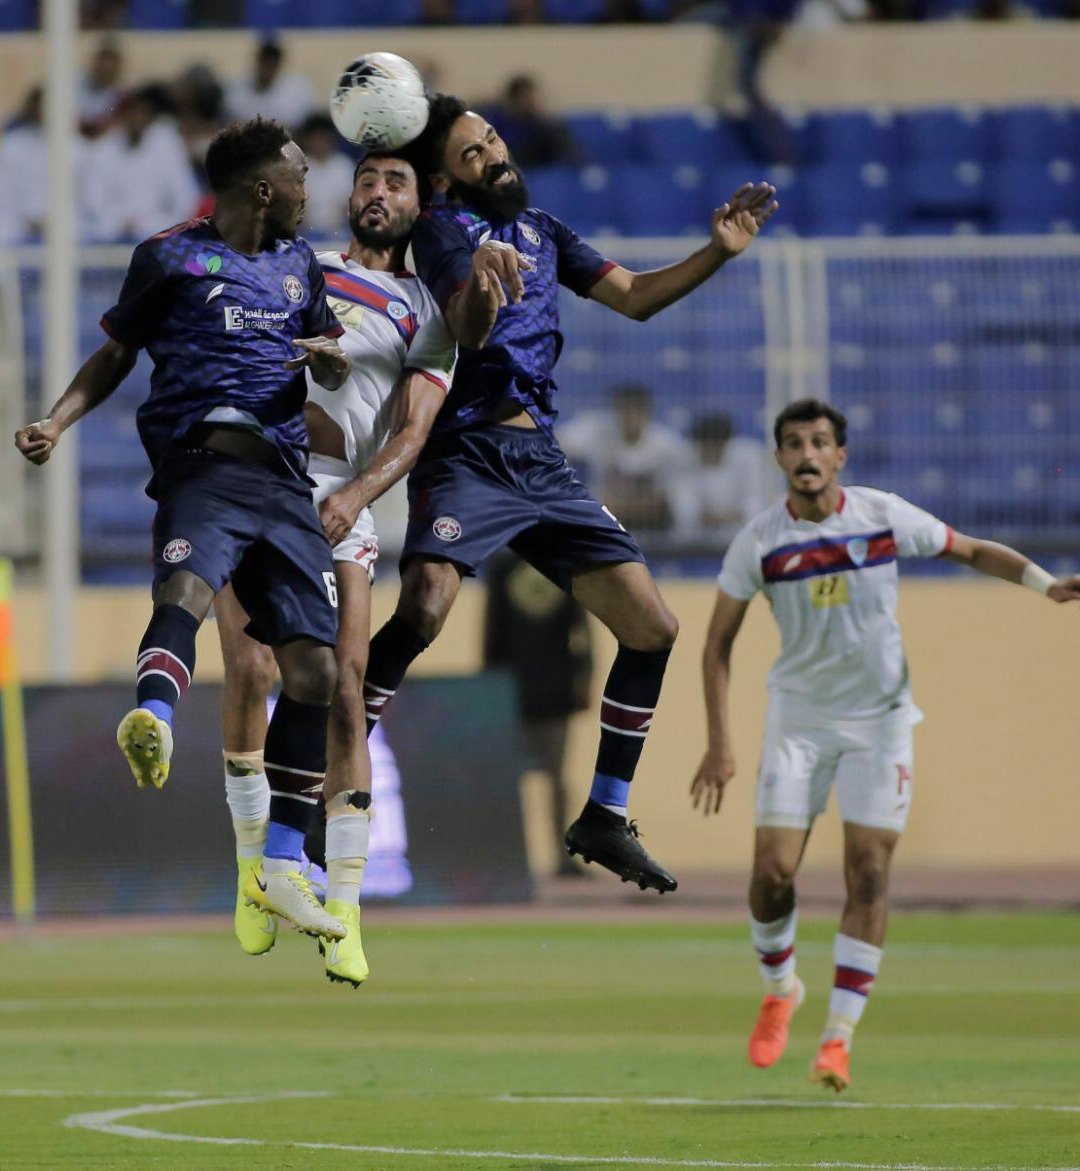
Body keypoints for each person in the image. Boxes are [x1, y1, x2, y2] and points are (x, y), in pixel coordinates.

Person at [359, 93, 777, 894]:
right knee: (426, 607)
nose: (495, 155)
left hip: (540, 462)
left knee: (653, 626)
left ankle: (604, 814)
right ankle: (345, 745)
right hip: (466, 450)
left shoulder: (547, 232)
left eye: (493, 141)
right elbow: (468, 328)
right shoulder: (440, 232)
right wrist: (482, 281)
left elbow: (635, 297)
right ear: (445, 181)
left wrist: (718, 250)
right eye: (474, 154)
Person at [689, 398, 1080, 1092]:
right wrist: (718, 743)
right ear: (780, 459)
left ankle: (839, 1038)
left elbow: (968, 548)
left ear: (840, 455)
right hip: (799, 722)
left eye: (820, 442)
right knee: (771, 873)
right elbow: (716, 644)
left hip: (879, 722)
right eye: (794, 444)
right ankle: (781, 986)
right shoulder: (759, 542)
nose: (808, 454)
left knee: (870, 872)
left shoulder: (881, 516)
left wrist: (1044, 583)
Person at [14, 118, 356, 942]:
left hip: (283, 480)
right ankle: (156, 717)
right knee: (187, 588)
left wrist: (333, 363)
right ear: (264, 189)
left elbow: (331, 352)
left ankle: (279, 866)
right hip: (204, 461)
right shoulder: (168, 257)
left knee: (315, 667)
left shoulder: (300, 266)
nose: (315, 188)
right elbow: (115, 356)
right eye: (302, 175)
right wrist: (58, 422)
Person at [213, 149, 456, 984]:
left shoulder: (429, 309)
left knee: (346, 688)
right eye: (366, 181)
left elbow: (413, 432)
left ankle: (344, 906)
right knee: (248, 668)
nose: (377, 193)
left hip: (339, 497)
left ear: (419, 207)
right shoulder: (294, 267)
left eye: (396, 184)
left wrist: (357, 494)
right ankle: (255, 875)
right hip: (256, 482)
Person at [483, 549, 594, 877]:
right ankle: (511, 858)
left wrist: (585, 678)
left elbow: (582, 628)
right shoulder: (504, 566)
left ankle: (562, 857)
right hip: (514, 692)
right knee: (513, 780)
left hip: (554, 692)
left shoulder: (564, 563)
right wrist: (491, 687)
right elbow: (491, 627)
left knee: (556, 779)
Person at [559, 384, 692, 536]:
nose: (631, 417)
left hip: (655, 525)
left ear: (648, 412)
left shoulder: (668, 445)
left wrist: (637, 506)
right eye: (625, 410)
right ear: (616, 411)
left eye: (637, 410)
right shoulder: (599, 433)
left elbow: (677, 498)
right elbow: (555, 445)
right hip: (605, 523)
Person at [80, 84, 201, 243]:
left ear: (149, 118)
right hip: (112, 233)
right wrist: (120, 223)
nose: (136, 119)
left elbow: (186, 199)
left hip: (156, 230)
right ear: (123, 117)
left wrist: (150, 225)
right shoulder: (104, 150)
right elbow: (93, 201)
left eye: (142, 113)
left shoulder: (167, 148)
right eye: (132, 113)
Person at [673, 411, 765, 543]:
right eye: (704, 446)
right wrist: (704, 517)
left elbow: (755, 502)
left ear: (725, 442)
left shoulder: (750, 456)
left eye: (714, 445)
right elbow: (684, 507)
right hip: (698, 542)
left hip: (743, 537)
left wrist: (734, 516)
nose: (709, 450)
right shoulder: (686, 457)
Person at [0, 87, 51, 246]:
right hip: (17, 225)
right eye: (39, 107)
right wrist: (28, 221)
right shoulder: (11, 145)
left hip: (57, 228)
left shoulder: (74, 148)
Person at [481, 75, 582, 170]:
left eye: (533, 98)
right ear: (513, 100)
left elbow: (567, 152)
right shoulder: (495, 122)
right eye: (525, 98)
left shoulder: (543, 125)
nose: (530, 103)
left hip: (538, 168)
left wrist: (546, 120)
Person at [225, 38, 317, 132]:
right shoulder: (237, 87)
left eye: (272, 62)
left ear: (279, 63)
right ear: (258, 61)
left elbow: (301, 124)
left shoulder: (298, 88)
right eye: (265, 61)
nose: (268, 66)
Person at [296, 113, 359, 242]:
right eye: (315, 139)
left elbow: (348, 206)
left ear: (331, 139)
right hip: (304, 232)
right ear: (307, 140)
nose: (319, 143)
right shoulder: (297, 167)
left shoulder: (344, 166)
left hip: (339, 232)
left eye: (323, 139)